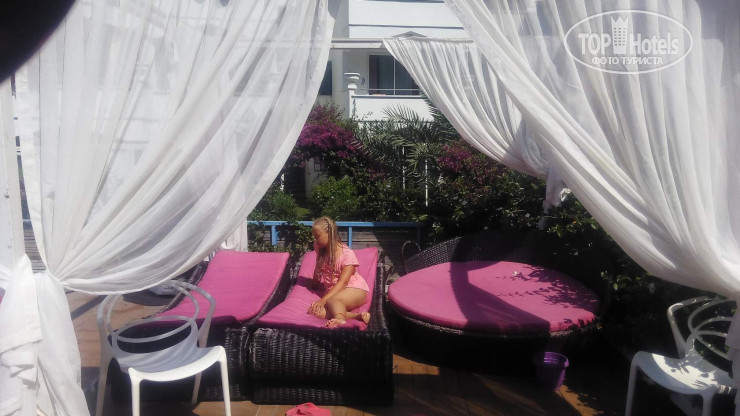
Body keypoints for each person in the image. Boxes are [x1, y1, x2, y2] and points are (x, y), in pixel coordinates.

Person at [307, 216, 371, 327]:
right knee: (315, 311)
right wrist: (314, 283)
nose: (315, 240)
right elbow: (318, 268)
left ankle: (340, 319)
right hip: (335, 293)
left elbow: (343, 283)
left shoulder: (347, 255)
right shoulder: (320, 247)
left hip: (355, 289)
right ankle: (357, 316)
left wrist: (322, 300)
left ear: (330, 234)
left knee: (331, 300)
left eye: (317, 236)